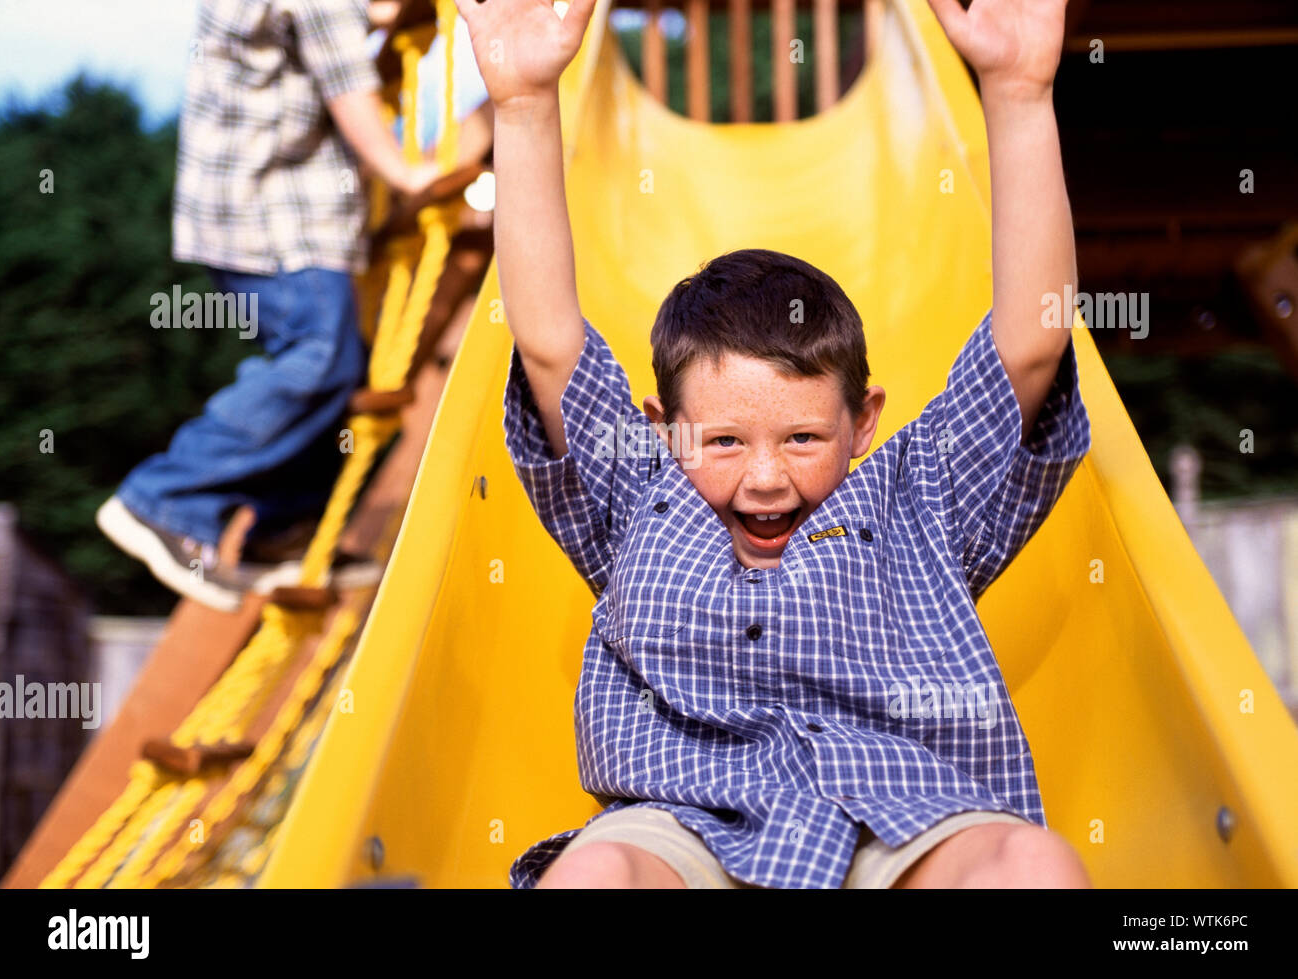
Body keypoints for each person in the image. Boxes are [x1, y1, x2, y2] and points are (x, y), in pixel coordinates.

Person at [463, 0, 1094, 888]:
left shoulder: (922, 497)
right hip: (687, 822)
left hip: (897, 814)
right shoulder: (639, 500)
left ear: (863, 420)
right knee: (593, 874)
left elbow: (1032, 338)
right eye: (722, 440)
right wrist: (525, 105)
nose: (765, 478)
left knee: (1031, 863)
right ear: (663, 429)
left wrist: (1021, 94)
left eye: (803, 436)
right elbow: (549, 343)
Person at [97, 0, 441, 611]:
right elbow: (348, 85)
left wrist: (381, 13)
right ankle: (163, 498)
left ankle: (280, 530)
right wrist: (403, 171)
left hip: (243, 215)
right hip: (278, 219)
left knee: (341, 369)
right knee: (320, 358)